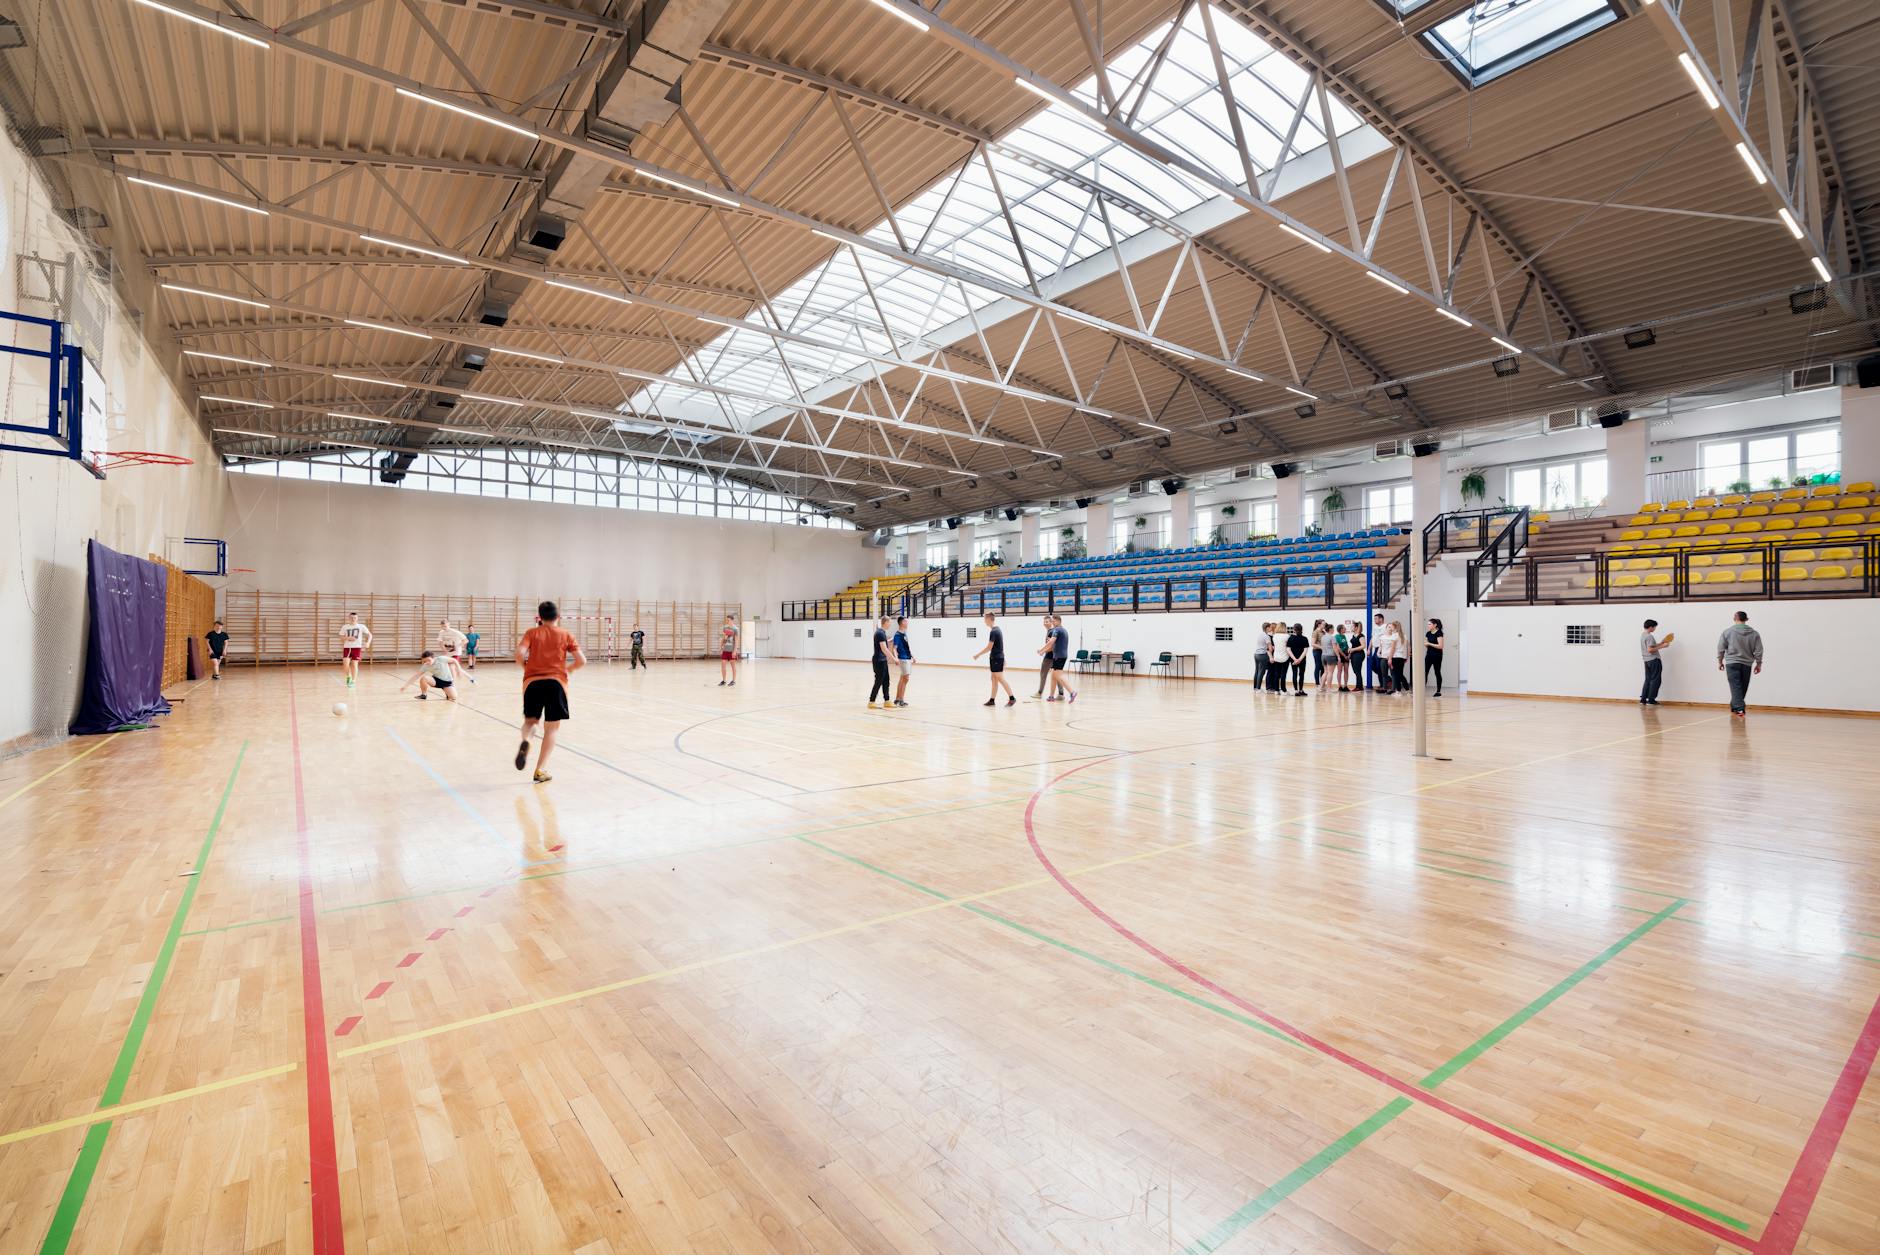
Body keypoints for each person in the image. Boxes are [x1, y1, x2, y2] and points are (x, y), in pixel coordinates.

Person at [514, 600, 586, 782]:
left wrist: (526, 668)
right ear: (558, 616)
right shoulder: (566, 634)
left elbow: (519, 654)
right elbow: (581, 660)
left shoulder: (532, 632)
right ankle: (540, 769)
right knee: (552, 728)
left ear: (540, 617)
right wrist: (568, 670)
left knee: (530, 722)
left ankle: (527, 741)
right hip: (556, 683)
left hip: (532, 683)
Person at [1716, 610, 1763, 717]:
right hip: (1747, 663)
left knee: (1736, 686)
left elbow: (1720, 648)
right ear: (1746, 619)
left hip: (1732, 663)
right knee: (1742, 686)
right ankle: (1738, 707)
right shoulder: (1755, 634)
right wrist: (1759, 664)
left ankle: (1737, 707)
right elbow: (1759, 650)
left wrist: (1720, 661)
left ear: (1734, 618)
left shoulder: (1727, 632)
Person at [973, 613, 1016, 706]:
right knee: (994, 679)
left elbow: (989, 647)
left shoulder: (994, 631)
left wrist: (978, 655)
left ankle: (1012, 698)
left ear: (989, 619)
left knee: (1000, 678)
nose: (984, 621)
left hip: (997, 658)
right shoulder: (997, 630)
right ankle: (992, 700)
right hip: (995, 658)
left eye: (985, 619)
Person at [1041, 615, 1077, 702]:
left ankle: (1072, 692)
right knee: (1053, 675)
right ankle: (1051, 696)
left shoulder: (1057, 630)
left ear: (1058, 621)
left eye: (1053, 621)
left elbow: (1051, 642)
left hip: (1059, 656)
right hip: (1061, 656)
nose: (1052, 623)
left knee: (1058, 675)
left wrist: (1042, 650)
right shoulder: (1064, 630)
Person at [1639, 619, 1674, 705]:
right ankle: (1651, 700)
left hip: (1646, 661)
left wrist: (1661, 643)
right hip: (1654, 660)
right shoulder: (1649, 636)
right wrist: (1663, 646)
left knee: (1648, 680)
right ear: (1651, 627)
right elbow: (1650, 649)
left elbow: (1651, 646)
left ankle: (1643, 699)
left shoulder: (1643, 635)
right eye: (1654, 627)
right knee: (1655, 680)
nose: (1655, 629)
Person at [338, 611, 372, 687]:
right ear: (349, 618)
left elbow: (370, 635)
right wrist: (348, 638)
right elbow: (341, 637)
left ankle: (353, 681)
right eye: (351, 617)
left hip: (356, 647)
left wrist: (368, 643)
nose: (353, 619)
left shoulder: (361, 626)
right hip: (347, 647)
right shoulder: (345, 627)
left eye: (355, 618)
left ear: (357, 618)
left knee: (354, 664)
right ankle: (348, 676)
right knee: (345, 664)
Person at [868, 615, 894, 709]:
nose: (890, 624)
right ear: (885, 622)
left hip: (882, 660)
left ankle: (887, 700)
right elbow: (884, 649)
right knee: (878, 681)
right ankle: (871, 701)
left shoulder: (881, 632)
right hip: (879, 661)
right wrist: (894, 658)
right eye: (889, 622)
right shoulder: (880, 633)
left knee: (886, 680)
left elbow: (883, 643)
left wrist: (890, 640)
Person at [437, 619, 473, 684]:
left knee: (451, 666)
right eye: (443, 626)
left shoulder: (455, 632)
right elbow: (440, 642)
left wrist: (458, 646)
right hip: (448, 652)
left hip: (456, 652)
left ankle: (452, 683)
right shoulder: (441, 632)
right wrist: (444, 650)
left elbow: (466, 640)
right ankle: (470, 678)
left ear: (449, 625)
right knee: (456, 668)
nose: (444, 628)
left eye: (445, 626)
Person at [892, 615, 915, 707]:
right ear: (902, 623)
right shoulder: (897, 635)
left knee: (902, 679)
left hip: (907, 657)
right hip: (903, 658)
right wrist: (896, 658)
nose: (907, 623)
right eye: (906, 621)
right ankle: (901, 699)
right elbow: (894, 648)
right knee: (906, 679)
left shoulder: (904, 634)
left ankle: (898, 699)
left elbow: (906, 647)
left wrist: (912, 656)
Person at [1032, 615, 1056, 699]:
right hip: (1054, 657)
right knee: (1057, 675)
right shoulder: (1052, 631)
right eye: (1044, 622)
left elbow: (1051, 647)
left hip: (1049, 657)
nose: (1045, 623)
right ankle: (1061, 693)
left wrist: (1042, 651)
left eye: (1047, 622)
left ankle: (1039, 693)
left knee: (1043, 674)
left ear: (1051, 622)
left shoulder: (1051, 632)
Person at [1285, 623, 1309, 695]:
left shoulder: (1291, 638)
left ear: (1294, 630)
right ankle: (1301, 690)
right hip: (1302, 660)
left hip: (1293, 659)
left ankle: (1296, 691)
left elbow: (1288, 650)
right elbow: (1305, 651)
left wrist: (1295, 659)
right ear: (1301, 629)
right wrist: (1299, 659)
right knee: (1301, 674)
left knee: (1294, 674)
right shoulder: (1304, 638)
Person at [1424, 618, 1445, 697]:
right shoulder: (1428, 633)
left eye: (1429, 624)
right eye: (1428, 624)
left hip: (1437, 656)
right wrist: (1427, 644)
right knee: (1425, 672)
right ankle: (1422, 690)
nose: (1428, 625)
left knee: (1437, 672)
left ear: (1435, 625)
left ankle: (1438, 691)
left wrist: (1429, 643)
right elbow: (1425, 644)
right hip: (1429, 655)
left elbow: (1440, 646)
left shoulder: (1439, 633)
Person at [1388, 622, 1410, 694]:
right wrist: (1406, 657)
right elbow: (1408, 648)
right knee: (1400, 674)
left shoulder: (1394, 636)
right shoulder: (1404, 636)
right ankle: (1407, 689)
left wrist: (1390, 658)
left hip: (1396, 657)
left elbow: (1392, 648)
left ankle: (1398, 691)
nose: (1390, 628)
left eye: (1391, 627)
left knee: (1396, 675)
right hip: (1402, 657)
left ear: (1395, 627)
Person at [719, 614, 740, 686]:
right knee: (723, 665)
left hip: (731, 650)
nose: (727, 621)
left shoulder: (735, 629)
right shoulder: (725, 628)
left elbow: (737, 641)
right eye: (727, 620)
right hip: (725, 650)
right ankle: (724, 681)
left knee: (733, 666)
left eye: (728, 620)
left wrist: (735, 651)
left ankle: (733, 681)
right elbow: (723, 638)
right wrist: (721, 647)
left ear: (732, 620)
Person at [1252, 621, 1271, 692]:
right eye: (1270, 627)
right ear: (1267, 628)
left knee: (1257, 671)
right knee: (1261, 672)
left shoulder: (1260, 635)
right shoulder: (1267, 636)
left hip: (1256, 654)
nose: (1270, 629)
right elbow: (1270, 648)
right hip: (1262, 655)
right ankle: (1258, 688)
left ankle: (1255, 688)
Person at [1346, 621, 1364, 692]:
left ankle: (1358, 687)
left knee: (1357, 671)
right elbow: (1353, 646)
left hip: (1359, 655)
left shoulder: (1361, 636)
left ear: (1356, 627)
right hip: (1353, 655)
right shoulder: (1354, 635)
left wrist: (1353, 649)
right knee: (1356, 671)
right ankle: (1360, 686)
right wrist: (1350, 654)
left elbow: (1363, 646)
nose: (1351, 628)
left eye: (1352, 626)